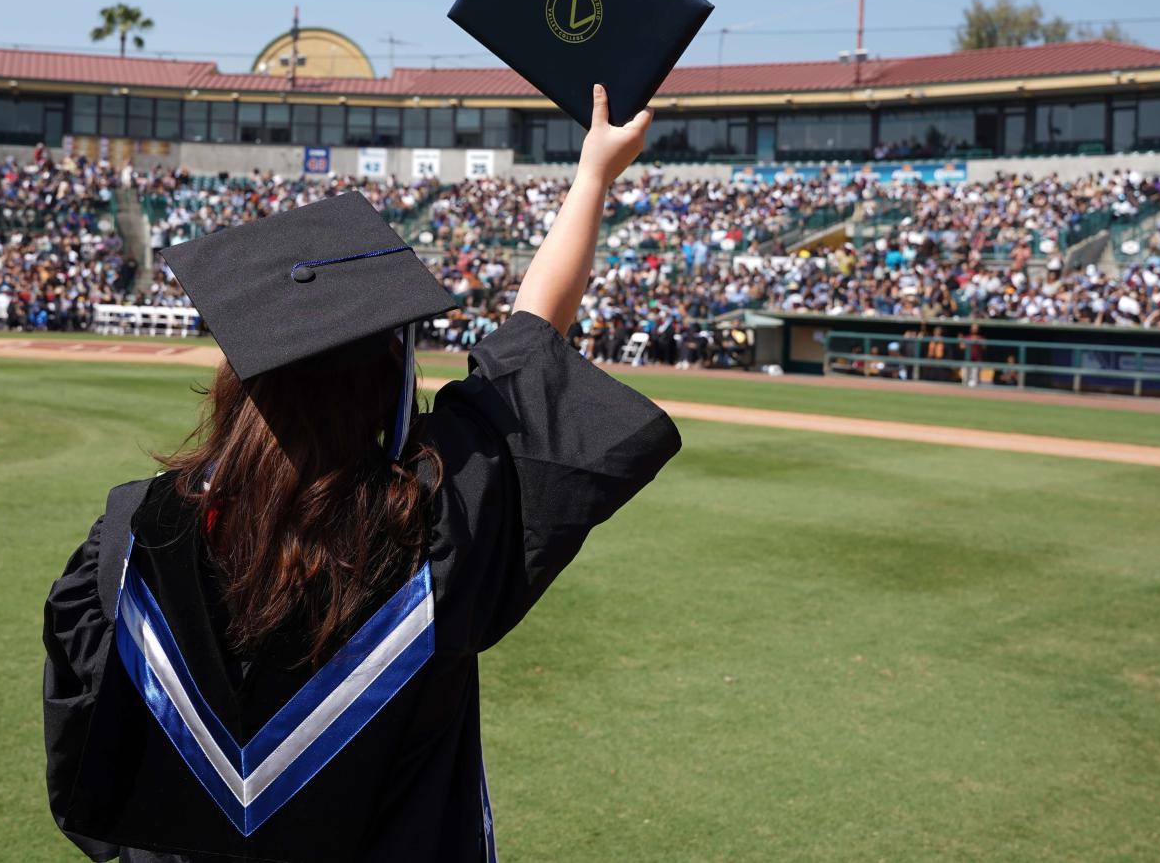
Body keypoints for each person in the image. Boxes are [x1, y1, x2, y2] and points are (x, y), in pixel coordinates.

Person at [41, 86, 681, 862]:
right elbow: (531, 338)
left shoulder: (130, 541)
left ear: (239, 375)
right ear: (388, 381)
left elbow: (88, 761)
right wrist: (591, 179)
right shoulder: (437, 531)